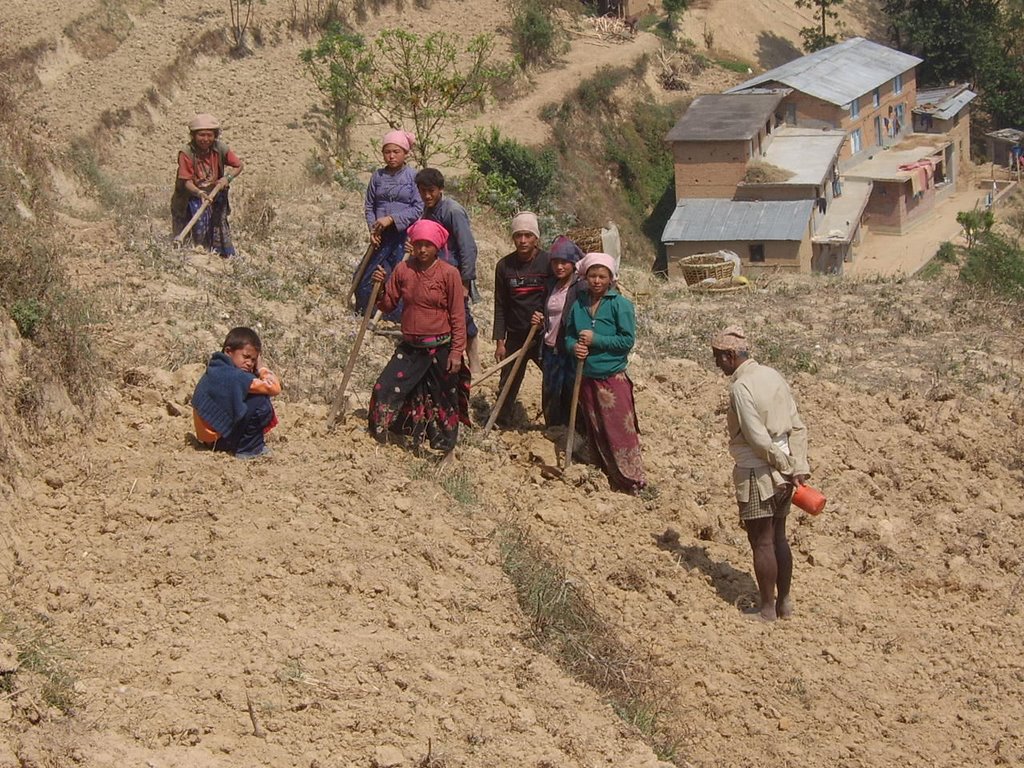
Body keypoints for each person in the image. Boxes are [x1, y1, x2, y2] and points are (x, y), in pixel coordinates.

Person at [711, 325, 810, 622]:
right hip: (785, 470)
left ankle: (767, 609)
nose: (717, 365)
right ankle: (784, 603)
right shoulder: (773, 375)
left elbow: (757, 439)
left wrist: (783, 466)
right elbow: (797, 426)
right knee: (779, 537)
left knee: (762, 541)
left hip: (758, 472)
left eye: (718, 358)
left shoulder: (741, 387)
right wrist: (797, 466)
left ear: (730, 355)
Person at [368, 219, 469, 454]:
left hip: (440, 348)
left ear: (437, 247)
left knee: (442, 399)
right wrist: (380, 286)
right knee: (384, 387)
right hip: (411, 347)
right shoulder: (403, 270)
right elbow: (387, 303)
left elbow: (457, 316)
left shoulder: (449, 274)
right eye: (418, 244)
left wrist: (456, 352)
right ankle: (386, 433)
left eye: (428, 245)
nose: (422, 249)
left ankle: (444, 447)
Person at [564, 253, 646, 494]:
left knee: (620, 432)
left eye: (602, 276)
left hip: (612, 377)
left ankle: (632, 480)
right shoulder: (578, 303)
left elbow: (626, 341)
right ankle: (605, 475)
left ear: (611, 279)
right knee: (596, 429)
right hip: (586, 377)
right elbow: (568, 335)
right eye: (592, 276)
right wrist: (574, 347)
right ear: (585, 277)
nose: (597, 281)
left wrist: (596, 339)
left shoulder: (620, 305)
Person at [415, 167, 482, 373]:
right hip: (435, 275)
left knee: (461, 316)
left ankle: (474, 361)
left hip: (453, 275)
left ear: (441, 189)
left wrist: (464, 281)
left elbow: (467, 247)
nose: (427, 195)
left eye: (431, 190)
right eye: (422, 190)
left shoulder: (452, 211)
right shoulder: (427, 211)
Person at [492, 211, 551, 427]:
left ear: (536, 238)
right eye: (518, 235)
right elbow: (500, 305)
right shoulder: (504, 266)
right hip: (516, 336)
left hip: (542, 337)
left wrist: (544, 316)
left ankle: (555, 423)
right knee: (508, 380)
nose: (523, 240)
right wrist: (500, 342)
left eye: (528, 235)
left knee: (552, 381)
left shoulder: (549, 263)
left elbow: (557, 297)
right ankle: (501, 420)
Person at [359, 130, 423, 319]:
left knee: (399, 277)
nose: (391, 156)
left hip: (403, 236)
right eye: (387, 152)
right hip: (381, 236)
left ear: (405, 153)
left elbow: (418, 207)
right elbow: (369, 205)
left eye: (396, 151)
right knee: (365, 275)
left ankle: (394, 318)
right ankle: (366, 312)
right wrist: (374, 229)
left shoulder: (413, 177)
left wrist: (392, 219)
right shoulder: (377, 177)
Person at [192, 326, 280, 459]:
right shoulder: (236, 376)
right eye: (246, 357)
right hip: (219, 440)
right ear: (228, 352)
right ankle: (248, 450)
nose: (249, 363)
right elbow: (274, 388)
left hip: (209, 439)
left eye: (254, 360)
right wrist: (261, 368)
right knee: (261, 401)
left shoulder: (216, 368)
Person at [171, 113, 244, 257]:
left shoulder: (220, 148)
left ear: (215, 135)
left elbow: (238, 165)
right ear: (193, 135)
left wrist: (226, 179)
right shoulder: (186, 153)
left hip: (215, 192)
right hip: (192, 194)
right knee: (198, 225)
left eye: (209, 135)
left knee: (219, 223)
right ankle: (196, 255)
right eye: (201, 135)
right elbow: (187, 182)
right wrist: (200, 193)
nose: (205, 139)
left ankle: (221, 255)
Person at [531, 235, 584, 428]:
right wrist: (538, 319)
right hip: (550, 348)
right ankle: (553, 429)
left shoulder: (581, 287)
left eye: (564, 263)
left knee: (571, 392)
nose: (559, 267)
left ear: (573, 263)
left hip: (569, 348)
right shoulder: (551, 285)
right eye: (555, 263)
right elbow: (543, 309)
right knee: (550, 391)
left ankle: (575, 431)